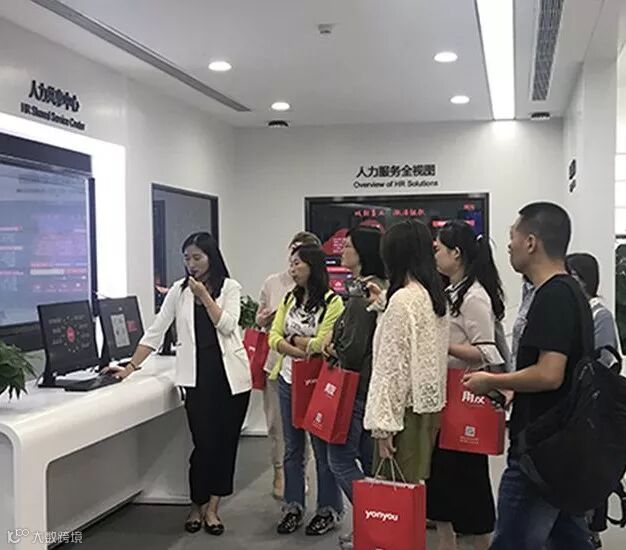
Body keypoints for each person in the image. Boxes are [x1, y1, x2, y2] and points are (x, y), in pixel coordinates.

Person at [463, 202, 595, 550]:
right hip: (560, 443)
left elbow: (550, 374)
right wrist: (513, 389)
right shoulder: (569, 292)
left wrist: (493, 381)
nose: (509, 245)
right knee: (567, 538)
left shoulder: (554, 296)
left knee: (513, 541)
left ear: (532, 242)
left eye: (513, 236)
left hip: (540, 449)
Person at [106, 232, 251, 536]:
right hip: (197, 380)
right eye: (187, 258)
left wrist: (205, 297)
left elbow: (227, 325)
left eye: (197, 257)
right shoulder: (178, 291)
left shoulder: (230, 288)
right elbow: (156, 331)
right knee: (203, 446)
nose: (191, 264)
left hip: (231, 381)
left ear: (211, 257)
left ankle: (213, 509)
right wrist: (130, 367)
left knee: (225, 446)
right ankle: (196, 504)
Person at [428, 220, 506, 550]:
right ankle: (447, 541)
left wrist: (443, 344)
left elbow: (486, 351)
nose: (434, 255)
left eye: (438, 249)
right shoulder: (451, 292)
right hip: (445, 398)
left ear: (456, 253)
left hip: (465, 399)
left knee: (469, 482)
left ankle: (481, 542)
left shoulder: (474, 296)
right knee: (442, 481)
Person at [364, 220, 449, 485]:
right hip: (426, 409)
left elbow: (392, 367)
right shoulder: (432, 297)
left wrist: (383, 426)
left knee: (393, 491)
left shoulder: (402, 300)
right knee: (415, 487)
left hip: (401, 414)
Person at [268, 244, 345, 536]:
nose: (292, 268)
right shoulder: (290, 298)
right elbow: (274, 336)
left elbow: (322, 344)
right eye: (291, 263)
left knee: (323, 450)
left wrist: (294, 342)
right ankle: (293, 506)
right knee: (292, 448)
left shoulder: (332, 302)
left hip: (319, 383)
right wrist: (297, 347)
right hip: (289, 380)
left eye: (297, 263)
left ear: (313, 265)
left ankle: (328, 510)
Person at [322, 226, 387, 549]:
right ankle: (374, 528)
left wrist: (332, 347)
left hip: (356, 388)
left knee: (339, 459)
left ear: (362, 253)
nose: (341, 251)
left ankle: (377, 519)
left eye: (347, 246)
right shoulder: (380, 288)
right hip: (371, 388)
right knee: (369, 461)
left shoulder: (365, 294)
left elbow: (353, 348)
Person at [255, 231, 320, 500]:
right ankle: (280, 472)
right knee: (278, 426)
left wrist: (297, 344)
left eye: (302, 254)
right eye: (293, 252)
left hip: (311, 370)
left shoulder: (323, 291)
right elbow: (262, 321)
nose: (295, 261)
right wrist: (264, 320)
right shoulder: (273, 283)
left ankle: (302, 474)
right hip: (277, 365)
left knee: (307, 427)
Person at [566, 252, 622, 549]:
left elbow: (602, 364)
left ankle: (590, 532)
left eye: (571, 276)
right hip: (569, 409)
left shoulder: (600, 315)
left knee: (589, 470)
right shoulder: (570, 309)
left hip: (591, 408)